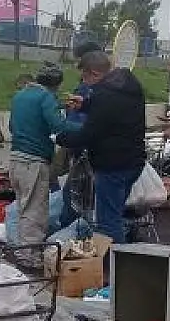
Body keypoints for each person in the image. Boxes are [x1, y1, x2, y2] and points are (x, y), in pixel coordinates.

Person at [57, 50, 148, 244]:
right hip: (134, 161)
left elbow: (88, 134)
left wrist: (59, 138)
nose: (83, 83)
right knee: (115, 213)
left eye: (84, 77)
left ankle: (114, 266)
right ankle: (117, 259)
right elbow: (114, 112)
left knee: (108, 222)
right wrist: (86, 104)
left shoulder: (104, 96)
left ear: (95, 74)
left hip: (112, 165)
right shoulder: (130, 86)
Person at [7, 63, 76, 263]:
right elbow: (58, 125)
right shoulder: (46, 97)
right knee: (35, 209)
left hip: (16, 159)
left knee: (23, 207)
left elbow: (12, 126)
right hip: (34, 161)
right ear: (57, 85)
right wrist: (86, 128)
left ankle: (22, 248)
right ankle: (29, 255)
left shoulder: (20, 95)